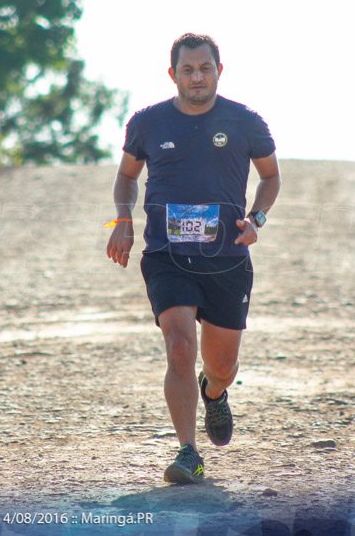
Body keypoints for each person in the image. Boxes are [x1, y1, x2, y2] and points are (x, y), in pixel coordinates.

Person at [105, 32, 280, 484]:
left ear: (219, 71)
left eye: (205, 68)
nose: (197, 77)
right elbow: (126, 177)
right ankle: (188, 453)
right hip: (167, 254)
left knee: (222, 365)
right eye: (188, 69)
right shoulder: (148, 123)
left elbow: (271, 177)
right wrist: (122, 220)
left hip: (226, 257)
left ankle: (214, 392)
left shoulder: (245, 122)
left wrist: (256, 219)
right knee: (180, 347)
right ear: (173, 74)